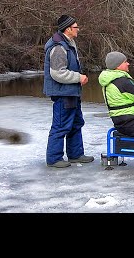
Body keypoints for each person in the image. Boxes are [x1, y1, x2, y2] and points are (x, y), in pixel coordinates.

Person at [43, 14, 94, 168]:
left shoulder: (68, 43)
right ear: (67, 29)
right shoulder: (58, 47)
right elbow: (57, 73)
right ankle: (54, 159)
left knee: (76, 123)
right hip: (63, 93)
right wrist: (78, 78)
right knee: (61, 125)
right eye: (76, 27)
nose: (78, 29)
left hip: (71, 92)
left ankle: (75, 154)